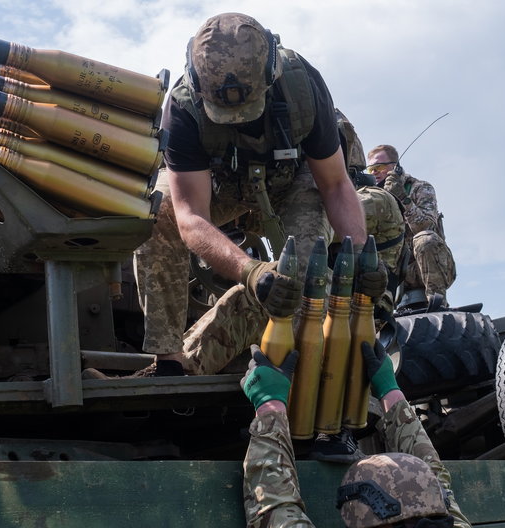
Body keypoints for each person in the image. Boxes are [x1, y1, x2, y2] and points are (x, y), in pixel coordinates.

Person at [128, 12, 384, 378]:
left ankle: (313, 371)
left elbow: (335, 184)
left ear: (271, 73)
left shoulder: (303, 87)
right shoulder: (183, 107)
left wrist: (358, 256)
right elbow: (190, 216)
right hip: (221, 188)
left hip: (291, 185)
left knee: (303, 276)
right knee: (158, 209)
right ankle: (169, 359)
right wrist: (251, 273)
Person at [240, 341, 471, 527]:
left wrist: (267, 404)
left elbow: (273, 510)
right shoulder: (446, 519)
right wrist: (390, 391)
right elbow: (437, 485)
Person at [366, 145, 456, 310]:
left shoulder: (419, 188)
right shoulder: (372, 198)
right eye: (371, 168)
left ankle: (438, 305)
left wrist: (402, 197)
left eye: (380, 167)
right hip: (396, 272)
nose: (374, 172)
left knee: (425, 239)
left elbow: (425, 225)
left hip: (429, 267)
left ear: (396, 167)